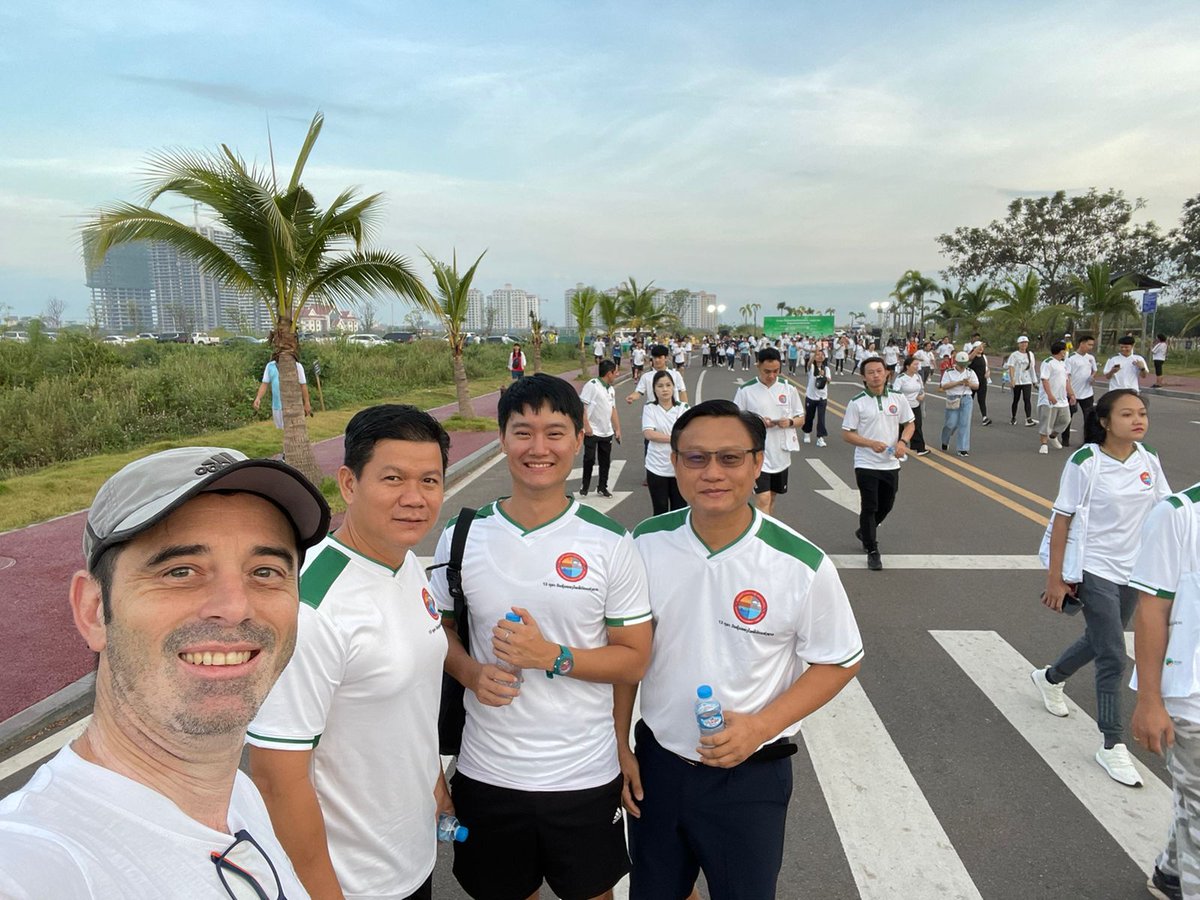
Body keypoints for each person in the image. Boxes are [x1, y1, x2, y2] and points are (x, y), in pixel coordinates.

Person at [0, 446, 330, 898]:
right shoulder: (40, 861)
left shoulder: (240, 797)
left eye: (266, 571)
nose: (234, 607)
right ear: (94, 611)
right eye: (180, 571)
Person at [616, 399, 862, 900]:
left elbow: (839, 658)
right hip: (658, 765)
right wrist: (619, 745)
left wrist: (759, 727)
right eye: (696, 458)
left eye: (730, 459)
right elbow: (625, 654)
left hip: (750, 777)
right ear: (675, 463)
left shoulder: (800, 563)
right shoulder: (643, 542)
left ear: (757, 463)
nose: (713, 473)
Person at [430, 373, 653, 900]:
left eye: (555, 432)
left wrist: (552, 657)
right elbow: (440, 628)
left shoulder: (610, 543)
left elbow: (634, 659)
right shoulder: (462, 534)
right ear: (501, 438)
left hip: (583, 772)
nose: (539, 448)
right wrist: (470, 671)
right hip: (487, 770)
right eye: (522, 431)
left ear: (580, 437)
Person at [247, 405, 452, 900]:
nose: (414, 498)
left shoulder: (403, 564)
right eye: (393, 478)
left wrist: (435, 781)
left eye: (429, 480)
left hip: (410, 851)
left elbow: (407, 702)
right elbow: (277, 777)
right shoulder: (313, 607)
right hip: (353, 881)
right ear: (348, 483)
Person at [1031, 389, 1170, 788]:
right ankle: (1112, 744)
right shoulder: (1086, 461)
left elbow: (1165, 511)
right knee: (1113, 653)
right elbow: (1062, 520)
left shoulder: (1149, 459)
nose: (1138, 420)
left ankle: (1051, 678)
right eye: (1127, 414)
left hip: (1135, 569)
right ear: (1106, 422)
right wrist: (1055, 577)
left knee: (1099, 638)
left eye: (1142, 413)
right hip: (1094, 568)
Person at [1130, 479, 1200, 900]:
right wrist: (1150, 700)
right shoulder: (1178, 514)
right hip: (1191, 695)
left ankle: (1172, 874)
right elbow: (1151, 610)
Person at [842, 358, 915, 571]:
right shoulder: (857, 402)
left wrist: (903, 441)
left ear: (886, 374)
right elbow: (847, 434)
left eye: (879, 371)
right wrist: (869, 443)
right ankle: (872, 549)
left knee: (887, 504)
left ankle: (865, 530)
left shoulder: (898, 398)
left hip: (890, 463)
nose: (876, 375)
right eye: (871, 372)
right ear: (863, 377)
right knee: (870, 505)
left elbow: (910, 423)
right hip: (866, 462)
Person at [733, 347, 804, 516]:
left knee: (772, 497)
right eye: (767, 371)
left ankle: (766, 529)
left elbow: (801, 418)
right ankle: (760, 537)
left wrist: (790, 422)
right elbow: (735, 420)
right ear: (758, 366)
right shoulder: (746, 390)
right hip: (757, 453)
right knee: (763, 498)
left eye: (776, 371)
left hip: (781, 453)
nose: (771, 376)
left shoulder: (789, 389)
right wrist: (757, 422)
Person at [643, 370, 690, 515]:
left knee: (680, 510)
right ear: (654, 389)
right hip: (656, 466)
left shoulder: (683, 408)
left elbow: (688, 435)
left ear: (673, 387)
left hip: (679, 467)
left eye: (668, 385)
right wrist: (674, 438)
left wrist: (665, 436)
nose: (664, 389)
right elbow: (649, 433)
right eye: (660, 386)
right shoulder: (650, 408)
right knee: (660, 509)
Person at [581, 360, 621, 497]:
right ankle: (585, 485)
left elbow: (613, 410)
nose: (616, 375)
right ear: (609, 373)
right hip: (592, 431)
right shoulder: (592, 386)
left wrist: (617, 429)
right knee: (589, 459)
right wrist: (587, 426)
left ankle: (602, 487)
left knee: (605, 461)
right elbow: (583, 407)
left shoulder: (611, 389)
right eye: (615, 372)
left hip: (606, 431)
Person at [254, 351, 313, 428]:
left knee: (293, 429)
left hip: (293, 405)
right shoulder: (270, 366)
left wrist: (307, 403)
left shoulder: (297, 366)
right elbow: (264, 384)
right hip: (277, 406)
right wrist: (258, 398)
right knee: (281, 430)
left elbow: (303, 385)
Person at [1036, 341, 1074, 455]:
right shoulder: (1048, 363)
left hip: (1062, 399)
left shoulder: (1063, 364)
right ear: (1061, 351)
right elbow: (1044, 379)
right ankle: (1044, 444)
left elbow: (1066, 381)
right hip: (1048, 400)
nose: (1066, 352)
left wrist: (1071, 394)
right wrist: (1050, 395)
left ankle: (1053, 436)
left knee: (1066, 420)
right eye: (1065, 350)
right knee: (1046, 422)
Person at [939, 351, 979, 457]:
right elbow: (944, 386)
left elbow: (976, 386)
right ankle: (945, 440)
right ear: (956, 362)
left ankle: (963, 448)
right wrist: (957, 383)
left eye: (964, 364)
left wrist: (969, 383)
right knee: (951, 423)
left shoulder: (970, 372)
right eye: (960, 364)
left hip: (966, 398)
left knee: (964, 423)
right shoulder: (949, 372)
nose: (962, 367)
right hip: (953, 398)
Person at [1062, 334, 1097, 449]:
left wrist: (1092, 377)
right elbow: (1067, 376)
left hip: (1087, 393)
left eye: (1092, 345)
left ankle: (1088, 441)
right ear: (1082, 343)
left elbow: (1094, 370)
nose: (1091, 347)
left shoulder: (1090, 358)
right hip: (1073, 393)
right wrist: (1070, 393)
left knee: (1089, 418)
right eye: (1089, 344)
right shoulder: (1071, 358)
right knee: (1068, 417)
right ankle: (1065, 439)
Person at [893, 355, 929, 457]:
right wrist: (903, 401)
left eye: (918, 364)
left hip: (915, 405)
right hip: (904, 406)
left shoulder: (917, 377)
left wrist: (922, 395)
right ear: (908, 366)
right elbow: (895, 392)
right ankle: (897, 447)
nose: (917, 366)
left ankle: (919, 448)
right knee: (901, 427)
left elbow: (921, 389)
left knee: (917, 426)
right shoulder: (901, 378)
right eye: (915, 364)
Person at [802, 348, 832, 448]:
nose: (820, 356)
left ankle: (820, 437)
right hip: (811, 397)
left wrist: (824, 376)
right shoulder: (812, 367)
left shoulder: (826, 369)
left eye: (822, 355)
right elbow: (808, 364)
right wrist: (814, 354)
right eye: (818, 355)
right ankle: (807, 432)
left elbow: (828, 381)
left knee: (821, 418)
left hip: (822, 397)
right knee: (809, 416)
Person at [1006, 336, 1038, 426]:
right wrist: (1012, 379)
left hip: (1027, 380)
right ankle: (1013, 417)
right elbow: (1011, 367)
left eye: (1026, 342)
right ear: (1018, 344)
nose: (1024, 344)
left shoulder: (1030, 354)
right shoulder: (1014, 355)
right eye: (1022, 343)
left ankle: (1028, 419)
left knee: (1027, 399)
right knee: (1016, 400)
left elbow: (1032, 368)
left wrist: (1034, 381)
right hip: (1017, 381)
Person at [965, 334, 993, 426]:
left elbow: (987, 367)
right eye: (978, 347)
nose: (981, 349)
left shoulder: (984, 357)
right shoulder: (970, 357)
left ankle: (984, 417)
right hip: (972, 382)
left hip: (982, 381)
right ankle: (965, 416)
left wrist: (988, 372)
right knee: (969, 399)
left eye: (982, 347)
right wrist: (976, 348)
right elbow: (970, 358)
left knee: (982, 400)